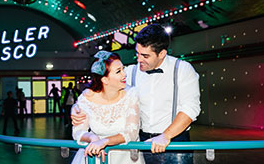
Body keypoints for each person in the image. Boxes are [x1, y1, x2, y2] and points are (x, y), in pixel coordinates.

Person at [72, 24, 201, 164]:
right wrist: (77, 108)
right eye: (137, 53)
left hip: (174, 141)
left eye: (145, 55)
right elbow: (103, 87)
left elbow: (190, 108)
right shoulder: (131, 71)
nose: (138, 59)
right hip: (142, 143)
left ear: (162, 54)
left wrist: (166, 136)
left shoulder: (182, 69)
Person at [71, 50, 144, 164]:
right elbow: (77, 132)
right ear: (104, 79)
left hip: (124, 158)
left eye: (123, 69)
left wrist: (104, 142)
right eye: (118, 71)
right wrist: (92, 138)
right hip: (95, 157)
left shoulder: (131, 94)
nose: (124, 74)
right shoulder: (86, 98)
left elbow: (132, 132)